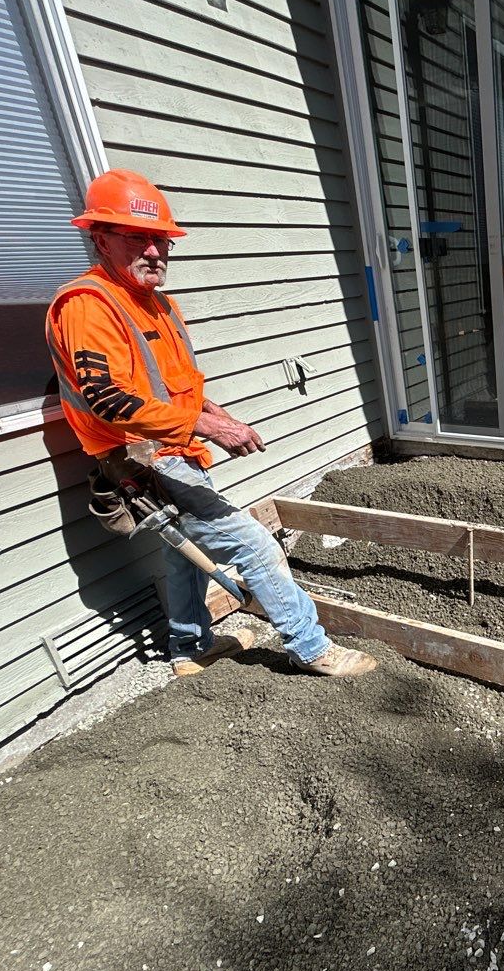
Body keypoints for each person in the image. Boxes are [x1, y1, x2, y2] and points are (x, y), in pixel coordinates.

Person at [46, 169, 376, 678]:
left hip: (174, 452)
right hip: (142, 460)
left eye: (161, 241)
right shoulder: (88, 306)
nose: (153, 251)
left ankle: (189, 649)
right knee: (256, 546)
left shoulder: (156, 303)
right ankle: (311, 648)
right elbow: (108, 401)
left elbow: (170, 384)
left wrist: (214, 413)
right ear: (101, 239)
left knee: (185, 554)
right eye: (136, 238)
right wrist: (207, 428)